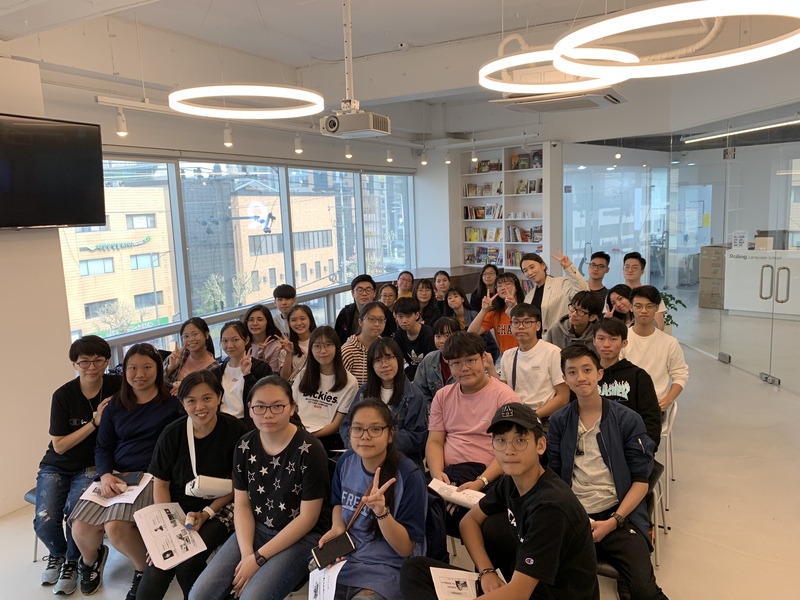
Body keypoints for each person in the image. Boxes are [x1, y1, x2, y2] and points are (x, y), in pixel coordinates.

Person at [401, 403, 599, 600]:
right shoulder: (511, 482)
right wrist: (487, 571)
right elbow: (468, 522)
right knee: (416, 569)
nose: (509, 450)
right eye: (501, 440)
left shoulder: (551, 506)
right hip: (516, 584)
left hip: (542, 594)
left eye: (520, 440)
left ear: (540, 445)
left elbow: (519, 594)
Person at [188, 376, 330, 600]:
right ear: (250, 409)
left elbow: (308, 519)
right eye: (260, 407)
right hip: (256, 528)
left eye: (277, 406)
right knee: (199, 595)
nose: (268, 414)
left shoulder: (310, 450)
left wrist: (258, 559)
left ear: (292, 407)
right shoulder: (244, 446)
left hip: (300, 536)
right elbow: (242, 506)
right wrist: (248, 557)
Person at [549, 345, 668, 600]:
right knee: (549, 581)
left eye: (587, 370)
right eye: (572, 372)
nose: (581, 377)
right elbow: (554, 475)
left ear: (599, 374)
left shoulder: (627, 419)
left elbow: (641, 481)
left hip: (619, 514)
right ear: (565, 379)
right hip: (576, 514)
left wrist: (614, 521)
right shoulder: (560, 421)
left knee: (644, 591)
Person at [70, 344, 182, 599]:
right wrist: (105, 474)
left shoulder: (172, 403)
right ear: (124, 371)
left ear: (158, 369)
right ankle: (92, 560)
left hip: (152, 475)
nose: (139, 374)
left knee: (116, 528)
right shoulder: (116, 405)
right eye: (132, 368)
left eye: (147, 367)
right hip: (116, 474)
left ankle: (144, 570)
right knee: (81, 527)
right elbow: (103, 446)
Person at [138, 371, 248, 600]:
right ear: (182, 403)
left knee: (188, 562)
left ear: (219, 397)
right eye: (191, 401)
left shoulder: (236, 430)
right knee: (156, 571)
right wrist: (166, 533)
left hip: (221, 507)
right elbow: (161, 485)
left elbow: (236, 486)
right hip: (177, 511)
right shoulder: (172, 434)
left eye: (207, 398)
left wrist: (206, 514)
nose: (200, 407)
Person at [34, 336, 122, 595]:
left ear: (107, 361)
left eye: (98, 360)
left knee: (76, 513)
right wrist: (94, 422)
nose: (91, 367)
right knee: (45, 519)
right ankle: (59, 555)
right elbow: (60, 445)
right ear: (74, 364)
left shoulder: (117, 385)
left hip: (93, 466)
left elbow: (147, 386)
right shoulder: (63, 396)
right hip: (57, 465)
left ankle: (74, 562)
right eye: (84, 361)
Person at [322, 399, 426, 600]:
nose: (365, 436)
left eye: (375, 429)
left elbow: (405, 548)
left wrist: (382, 513)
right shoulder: (346, 461)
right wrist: (337, 526)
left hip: (385, 569)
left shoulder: (409, 476)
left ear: (390, 434)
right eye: (357, 429)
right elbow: (338, 502)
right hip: (345, 562)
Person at [426, 332, 520, 536]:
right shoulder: (443, 396)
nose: (464, 368)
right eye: (456, 363)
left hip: (489, 476)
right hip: (449, 474)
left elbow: (509, 450)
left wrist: (480, 482)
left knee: (464, 517)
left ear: (484, 358)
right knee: (416, 504)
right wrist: (437, 475)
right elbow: (434, 441)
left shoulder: (505, 397)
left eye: (470, 360)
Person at [340, 338, 428, 467]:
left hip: (400, 461)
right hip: (364, 459)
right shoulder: (364, 392)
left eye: (389, 358)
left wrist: (378, 440)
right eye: (378, 360)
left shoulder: (414, 395)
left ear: (399, 359)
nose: (384, 364)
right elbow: (347, 425)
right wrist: (359, 445)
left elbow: (417, 438)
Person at [487, 304, 569, 421]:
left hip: (543, 417)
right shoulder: (508, 355)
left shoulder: (553, 352)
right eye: (516, 322)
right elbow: (503, 392)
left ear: (538, 325)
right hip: (515, 416)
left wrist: (533, 417)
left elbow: (563, 397)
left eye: (527, 322)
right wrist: (490, 367)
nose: (521, 327)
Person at [594, 317, 662, 449]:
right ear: (594, 341)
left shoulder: (638, 376)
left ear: (624, 343)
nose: (606, 344)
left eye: (613, 339)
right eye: (601, 338)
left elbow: (652, 420)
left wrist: (642, 449)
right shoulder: (586, 375)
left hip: (627, 445)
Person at [622, 285, 689, 413]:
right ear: (631, 307)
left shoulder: (669, 343)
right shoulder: (621, 340)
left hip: (654, 407)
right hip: (625, 405)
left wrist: (668, 400)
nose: (643, 311)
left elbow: (680, 375)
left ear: (657, 308)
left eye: (649, 306)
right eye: (638, 306)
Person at [292, 326, 359, 452]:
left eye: (328, 345)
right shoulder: (303, 375)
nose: (323, 351)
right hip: (298, 433)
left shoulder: (350, 382)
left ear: (337, 347)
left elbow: (336, 425)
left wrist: (307, 437)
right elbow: (293, 409)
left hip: (327, 439)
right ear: (311, 349)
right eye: (317, 346)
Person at [210, 321, 273, 430]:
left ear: (246, 340)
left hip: (249, 426)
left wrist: (247, 375)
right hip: (222, 425)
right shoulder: (216, 372)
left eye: (235, 340)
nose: (230, 345)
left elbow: (264, 398)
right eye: (225, 341)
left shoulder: (261, 368)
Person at [521, 250, 589, 338]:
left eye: (532, 267)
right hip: (536, 341)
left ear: (543, 265)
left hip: (559, 339)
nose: (530, 272)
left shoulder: (562, 283)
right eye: (525, 270)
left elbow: (583, 291)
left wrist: (569, 267)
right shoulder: (529, 296)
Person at [468, 271, 525, 354]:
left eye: (507, 284)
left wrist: (514, 306)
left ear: (516, 287)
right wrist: (484, 310)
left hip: (526, 354)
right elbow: (471, 333)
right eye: (499, 286)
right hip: (506, 356)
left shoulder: (527, 307)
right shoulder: (495, 313)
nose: (503, 287)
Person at [444, 286, 500, 362]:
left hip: (482, 352)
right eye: (449, 298)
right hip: (462, 355)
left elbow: (485, 339)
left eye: (455, 296)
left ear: (463, 299)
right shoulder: (449, 319)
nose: (452, 300)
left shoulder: (473, 315)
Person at [413, 317, 459, 406]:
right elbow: (420, 393)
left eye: (447, 336)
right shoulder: (429, 360)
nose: (441, 341)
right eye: (438, 336)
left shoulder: (465, 361)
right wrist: (433, 411)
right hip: (433, 410)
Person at [165, 317, 218, 394]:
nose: (191, 339)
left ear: (206, 335)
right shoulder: (180, 355)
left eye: (195, 334)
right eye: (186, 336)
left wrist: (184, 388)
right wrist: (171, 367)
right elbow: (158, 380)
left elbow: (208, 393)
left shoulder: (214, 367)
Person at [341, 301, 387, 386]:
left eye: (381, 320)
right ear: (360, 322)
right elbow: (340, 385)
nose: (377, 324)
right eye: (371, 319)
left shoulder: (386, 347)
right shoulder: (347, 351)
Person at [392, 296, 437, 381]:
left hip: (429, 376)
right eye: (400, 316)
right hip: (408, 377)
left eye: (408, 316)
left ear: (417, 315)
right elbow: (399, 360)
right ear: (395, 316)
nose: (404, 321)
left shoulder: (429, 334)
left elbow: (434, 363)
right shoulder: (399, 335)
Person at [622, 252, 666, 330]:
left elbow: (659, 326)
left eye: (634, 267)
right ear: (623, 269)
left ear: (642, 271)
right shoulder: (615, 293)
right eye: (627, 267)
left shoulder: (651, 293)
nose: (630, 270)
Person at [334, 274, 379, 344]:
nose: (364, 293)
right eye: (360, 290)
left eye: (368, 290)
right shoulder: (345, 313)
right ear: (353, 293)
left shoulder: (382, 312)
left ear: (374, 293)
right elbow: (337, 339)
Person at [278, 304, 317, 383]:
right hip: (295, 388)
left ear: (310, 321)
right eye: (294, 320)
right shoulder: (287, 346)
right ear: (289, 323)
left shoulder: (321, 342)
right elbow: (284, 378)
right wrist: (289, 353)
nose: (299, 323)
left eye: (302, 319)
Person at [242, 305, 283, 372]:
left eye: (260, 320)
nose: (255, 323)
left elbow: (271, 375)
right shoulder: (242, 343)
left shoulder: (276, 346)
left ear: (268, 322)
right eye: (251, 320)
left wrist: (261, 357)